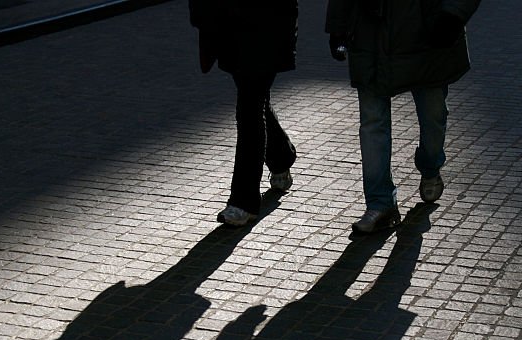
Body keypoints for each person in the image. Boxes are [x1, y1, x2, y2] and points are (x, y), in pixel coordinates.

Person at [325, 0, 481, 233]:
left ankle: (430, 166)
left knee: (433, 114)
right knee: (372, 122)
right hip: (371, 34)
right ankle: (380, 204)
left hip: (428, 31)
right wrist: (338, 24)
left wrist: (454, 15)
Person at [189, 0, 300, 227]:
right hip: (230, 31)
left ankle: (244, 201)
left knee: (249, 107)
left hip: (267, 27)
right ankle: (281, 157)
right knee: (254, 101)